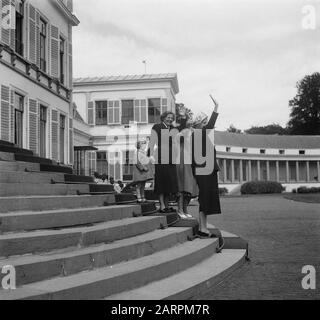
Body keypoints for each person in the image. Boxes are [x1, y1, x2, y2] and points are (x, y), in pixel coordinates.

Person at [192, 96, 221, 238]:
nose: (206, 124)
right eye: (203, 122)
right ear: (199, 124)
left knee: (207, 198)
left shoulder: (201, 135)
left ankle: (203, 227)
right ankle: (202, 228)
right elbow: (211, 123)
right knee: (204, 198)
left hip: (207, 170)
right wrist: (216, 109)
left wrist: (216, 108)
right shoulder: (198, 134)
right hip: (203, 171)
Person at [148, 111, 179, 213]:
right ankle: (162, 206)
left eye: (171, 118)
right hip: (161, 157)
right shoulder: (157, 126)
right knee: (161, 182)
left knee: (169, 183)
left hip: (171, 159)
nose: (170, 119)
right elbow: (152, 142)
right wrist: (150, 155)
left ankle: (167, 204)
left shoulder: (173, 129)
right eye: (168, 117)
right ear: (163, 117)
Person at [174, 107, 199, 219]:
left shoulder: (193, 132)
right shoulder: (182, 132)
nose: (190, 121)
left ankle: (185, 209)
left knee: (190, 187)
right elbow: (176, 141)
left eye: (191, 119)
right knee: (182, 187)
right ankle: (180, 210)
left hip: (192, 161)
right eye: (188, 120)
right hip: (183, 161)